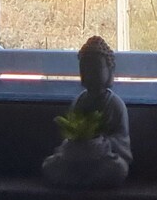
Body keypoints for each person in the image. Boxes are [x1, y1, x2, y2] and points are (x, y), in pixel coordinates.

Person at [41, 36, 131, 188]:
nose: (90, 73)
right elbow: (69, 133)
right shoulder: (80, 101)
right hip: (77, 159)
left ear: (110, 70)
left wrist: (100, 143)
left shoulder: (115, 104)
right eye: (85, 69)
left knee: (118, 168)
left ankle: (83, 180)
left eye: (96, 68)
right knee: (50, 165)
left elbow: (122, 141)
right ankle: (83, 179)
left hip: (103, 159)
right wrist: (75, 143)